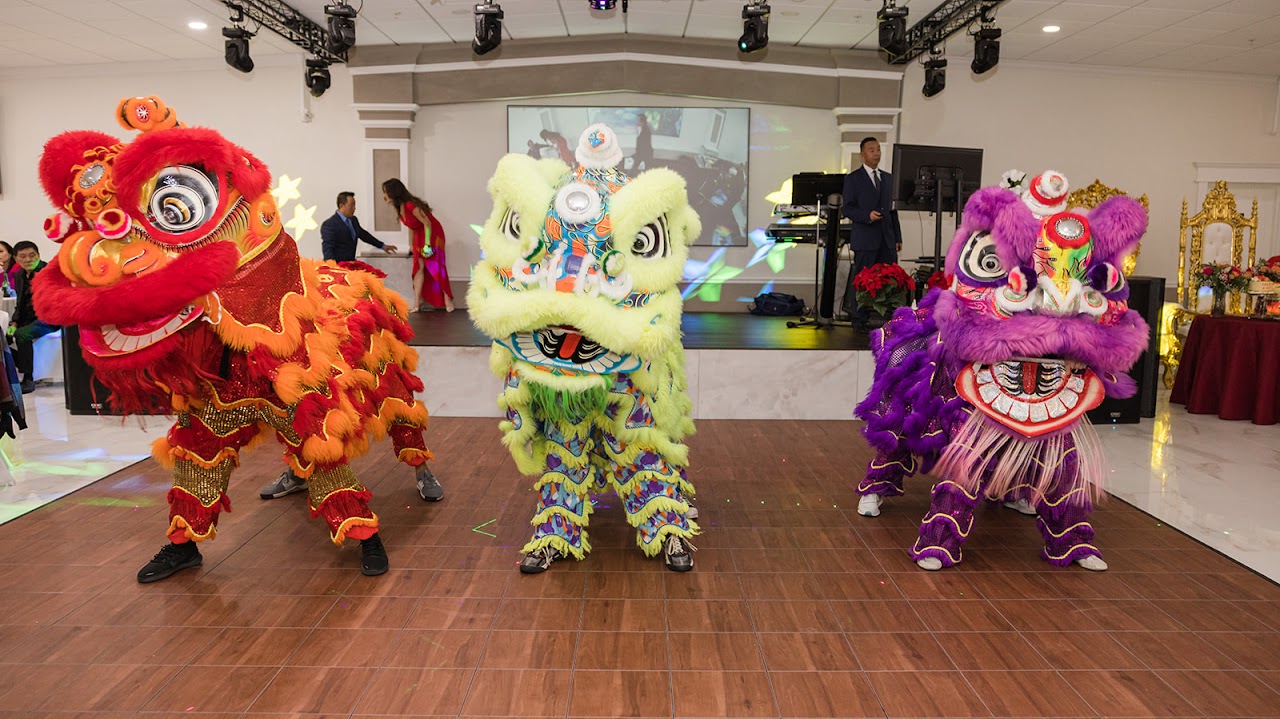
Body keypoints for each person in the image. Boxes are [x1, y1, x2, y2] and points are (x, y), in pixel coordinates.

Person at [841, 137, 903, 332]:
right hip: (866, 238)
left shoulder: (888, 178)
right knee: (862, 279)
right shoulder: (853, 179)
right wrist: (866, 215)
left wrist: (898, 237)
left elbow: (893, 211)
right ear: (862, 154)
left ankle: (888, 320)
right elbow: (847, 209)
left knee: (890, 279)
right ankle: (859, 319)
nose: (876, 153)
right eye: (871, 150)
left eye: (878, 150)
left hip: (887, 238)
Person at [382, 178, 454, 313]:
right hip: (418, 234)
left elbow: (427, 223)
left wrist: (427, 245)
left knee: (436, 265)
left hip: (432, 234)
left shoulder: (410, 205)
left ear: (393, 192)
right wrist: (411, 245)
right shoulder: (398, 208)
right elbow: (411, 226)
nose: (384, 196)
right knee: (418, 267)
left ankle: (447, 298)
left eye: (385, 192)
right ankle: (416, 303)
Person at [8, 242, 57, 393]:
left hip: (49, 319)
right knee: (5, 336)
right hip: (29, 317)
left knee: (22, 334)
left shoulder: (48, 272)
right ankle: (11, 377)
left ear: (38, 255)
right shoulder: (19, 275)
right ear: (16, 259)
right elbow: (20, 303)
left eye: (32, 255)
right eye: (22, 256)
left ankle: (28, 378)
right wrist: (14, 322)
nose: (28, 260)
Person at [320, 191, 399, 263]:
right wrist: (331, 266)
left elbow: (364, 235)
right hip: (338, 267)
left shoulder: (353, 220)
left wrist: (383, 246)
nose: (354, 208)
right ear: (341, 206)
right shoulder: (329, 224)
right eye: (351, 205)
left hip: (351, 264)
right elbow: (327, 248)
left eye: (355, 205)